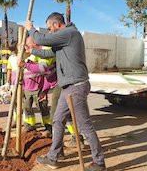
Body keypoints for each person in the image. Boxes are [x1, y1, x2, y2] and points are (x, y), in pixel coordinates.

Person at [24, 12, 106, 171]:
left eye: (49, 28)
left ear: (56, 24)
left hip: (76, 85)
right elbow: (48, 52)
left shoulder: (69, 33)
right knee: (58, 119)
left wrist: (31, 29)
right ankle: (53, 157)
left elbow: (42, 40)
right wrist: (32, 50)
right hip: (67, 87)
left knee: (85, 126)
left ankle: (99, 162)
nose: (49, 31)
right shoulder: (64, 40)